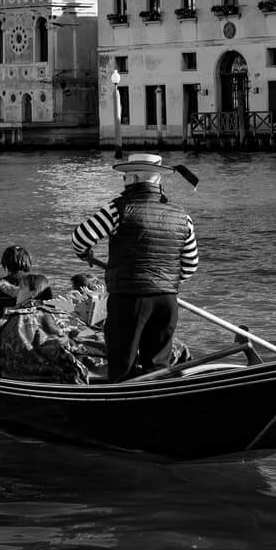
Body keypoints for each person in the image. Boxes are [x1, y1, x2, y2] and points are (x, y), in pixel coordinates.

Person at [71, 153, 198, 382]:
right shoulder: (183, 216)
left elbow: (80, 237)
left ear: (135, 178)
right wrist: (164, 280)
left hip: (130, 299)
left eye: (126, 177)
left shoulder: (118, 208)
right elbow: (190, 265)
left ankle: (122, 412)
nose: (123, 182)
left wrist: (85, 254)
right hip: (167, 301)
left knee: (123, 365)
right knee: (158, 367)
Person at [0, 245, 36, 330]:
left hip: (2, 337)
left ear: (6, 264)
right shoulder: (36, 286)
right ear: (28, 262)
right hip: (29, 336)